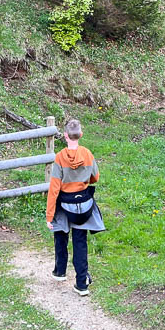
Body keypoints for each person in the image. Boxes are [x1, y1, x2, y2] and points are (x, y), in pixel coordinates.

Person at [46, 118, 104, 296]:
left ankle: (60, 272)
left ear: (65, 136)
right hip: (83, 204)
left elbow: (54, 187)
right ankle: (81, 284)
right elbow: (95, 177)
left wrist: (50, 216)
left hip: (64, 203)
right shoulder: (87, 154)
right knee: (80, 242)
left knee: (61, 234)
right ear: (81, 134)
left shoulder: (60, 157)